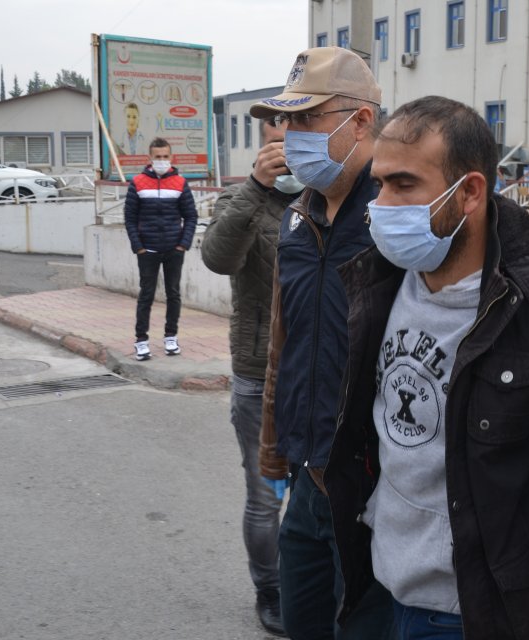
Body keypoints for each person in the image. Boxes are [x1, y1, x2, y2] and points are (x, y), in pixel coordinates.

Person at [324, 96, 529, 640]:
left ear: (470, 191)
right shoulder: (379, 277)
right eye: (378, 184)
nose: (380, 204)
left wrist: (528, 533)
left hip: (481, 609)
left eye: (403, 184)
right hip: (380, 579)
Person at [250, 46, 393, 639]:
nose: (291, 133)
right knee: (305, 620)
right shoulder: (298, 214)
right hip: (308, 474)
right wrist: (273, 448)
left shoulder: (399, 212)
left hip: (376, 486)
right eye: (287, 119)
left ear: (361, 121)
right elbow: (285, 344)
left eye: (308, 118)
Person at [200, 118, 304, 637]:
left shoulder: (327, 198)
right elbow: (218, 258)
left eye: (295, 136)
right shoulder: (242, 200)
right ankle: (270, 588)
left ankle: (311, 582)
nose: (284, 148)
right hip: (257, 373)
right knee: (266, 496)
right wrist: (256, 188)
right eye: (275, 139)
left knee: (318, 492)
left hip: (319, 372)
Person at [124, 137, 196, 361]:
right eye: (158, 157)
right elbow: (130, 218)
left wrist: (183, 245)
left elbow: (191, 216)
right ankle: (141, 340)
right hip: (148, 251)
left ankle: (170, 337)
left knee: (173, 294)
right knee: (146, 295)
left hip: (173, 250)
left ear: (171, 157)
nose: (162, 161)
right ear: (150, 158)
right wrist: (138, 247)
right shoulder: (137, 182)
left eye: (165, 157)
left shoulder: (180, 183)